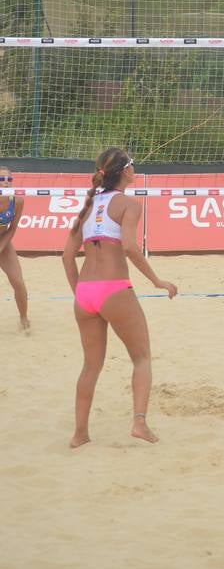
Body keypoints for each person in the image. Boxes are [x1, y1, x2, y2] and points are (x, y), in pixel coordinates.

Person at [63, 147, 178, 448]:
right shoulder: (128, 203)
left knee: (90, 366)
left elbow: (66, 255)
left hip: (85, 293)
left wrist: (79, 292)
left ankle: (79, 434)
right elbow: (128, 246)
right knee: (141, 358)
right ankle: (139, 423)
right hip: (114, 288)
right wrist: (156, 280)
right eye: (132, 164)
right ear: (125, 171)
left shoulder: (87, 205)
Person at [0, 165, 29, 331]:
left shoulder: (17, 201)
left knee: (18, 282)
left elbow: (12, 229)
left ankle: (24, 317)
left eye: (8, 179)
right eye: (1, 179)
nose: (5, 182)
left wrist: (1, 247)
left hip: (4, 242)